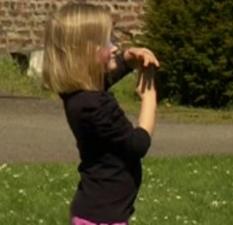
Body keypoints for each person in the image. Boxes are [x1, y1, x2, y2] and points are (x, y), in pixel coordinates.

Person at [42, 3, 159, 225]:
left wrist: (127, 59)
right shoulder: (95, 105)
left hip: (96, 210)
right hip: (103, 216)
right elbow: (138, 144)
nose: (114, 47)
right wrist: (149, 96)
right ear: (84, 51)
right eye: (107, 42)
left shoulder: (77, 95)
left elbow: (100, 82)